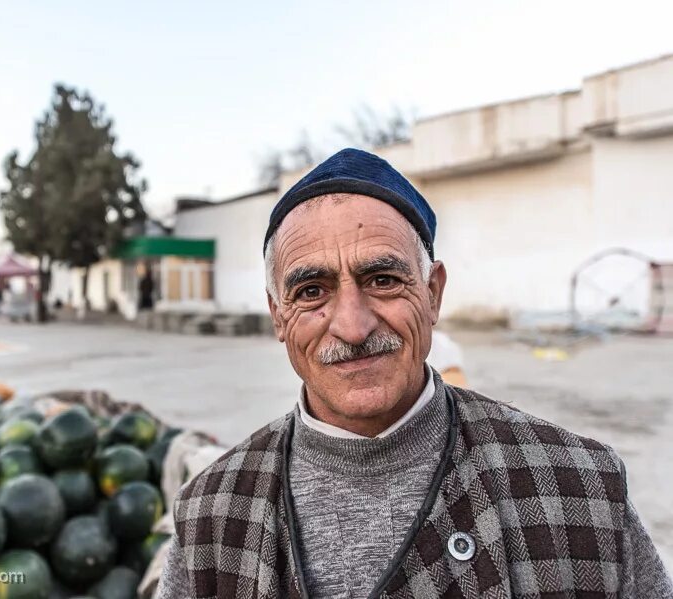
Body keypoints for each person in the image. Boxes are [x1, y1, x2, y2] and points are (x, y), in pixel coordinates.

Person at [157, 149, 672, 598]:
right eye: (312, 291)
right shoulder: (210, 516)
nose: (353, 327)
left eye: (382, 280)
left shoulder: (579, 489)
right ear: (277, 315)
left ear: (433, 294)